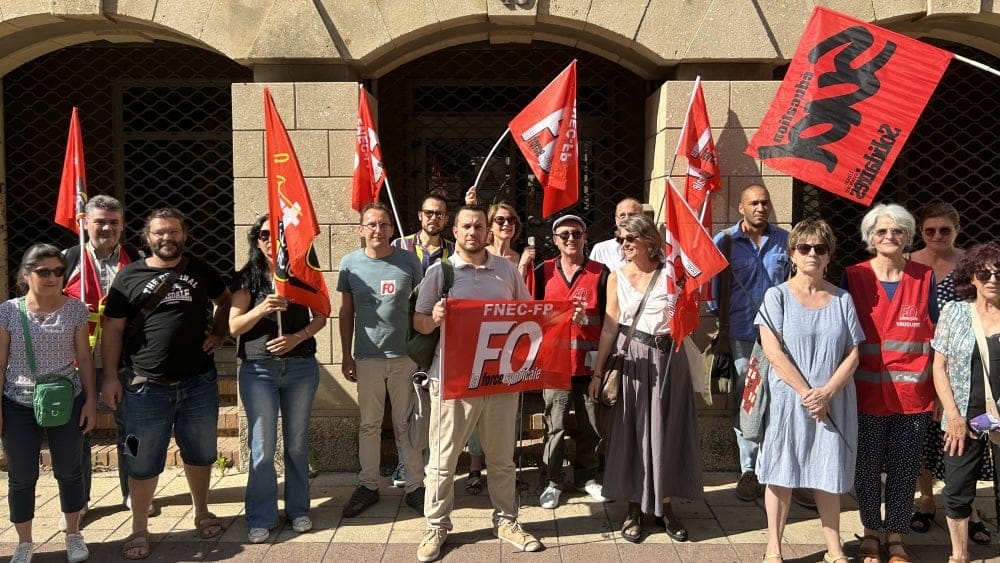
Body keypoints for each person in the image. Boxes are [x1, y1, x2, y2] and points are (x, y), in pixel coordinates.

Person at [101, 207, 232, 560]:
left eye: (174, 232)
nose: (167, 238)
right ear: (147, 237)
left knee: (201, 453)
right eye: (160, 232)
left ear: (184, 236)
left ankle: (201, 510)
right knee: (141, 461)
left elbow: (225, 300)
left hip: (198, 382)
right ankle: (139, 528)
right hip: (145, 386)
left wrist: (219, 333)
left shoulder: (200, 270)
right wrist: (111, 376)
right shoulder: (129, 276)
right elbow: (112, 328)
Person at [414, 205, 541, 561]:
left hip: (498, 380)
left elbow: (527, 313)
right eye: (466, 226)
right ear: (454, 231)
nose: (473, 231)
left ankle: (507, 520)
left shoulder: (506, 271)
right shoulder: (441, 272)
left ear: (488, 231)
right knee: (442, 459)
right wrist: (434, 317)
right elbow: (419, 322)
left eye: (479, 225)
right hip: (453, 381)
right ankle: (436, 526)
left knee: (501, 459)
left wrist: (565, 314)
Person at [754, 219, 864, 562]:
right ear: (793, 254)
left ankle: (834, 547)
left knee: (827, 470)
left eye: (820, 248)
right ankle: (773, 547)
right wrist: (807, 392)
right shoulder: (776, 297)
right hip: (790, 400)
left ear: (829, 256)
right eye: (804, 248)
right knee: (781, 470)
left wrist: (827, 392)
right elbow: (772, 352)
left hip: (833, 400)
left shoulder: (842, 299)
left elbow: (853, 353)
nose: (812, 254)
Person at [588, 214, 703, 543]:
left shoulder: (671, 274)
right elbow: (610, 325)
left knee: (667, 432)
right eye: (620, 238)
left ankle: (665, 508)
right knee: (632, 432)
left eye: (629, 239)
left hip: (669, 360)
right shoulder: (616, 276)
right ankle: (634, 508)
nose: (623, 244)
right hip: (634, 360)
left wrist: (684, 306)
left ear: (649, 241)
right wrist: (598, 371)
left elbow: (688, 321)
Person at [842, 203, 937, 563]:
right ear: (870, 237)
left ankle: (895, 537)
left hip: (912, 395)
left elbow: (938, 335)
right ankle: (869, 532)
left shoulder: (924, 277)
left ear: (908, 236)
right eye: (881, 231)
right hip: (864, 392)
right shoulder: (853, 276)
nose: (889, 236)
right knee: (865, 468)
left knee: (904, 467)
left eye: (897, 231)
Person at [229, 214, 327, 543]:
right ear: (257, 240)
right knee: (261, 447)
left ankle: (299, 509)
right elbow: (233, 327)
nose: (273, 240)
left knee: (297, 444)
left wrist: (297, 337)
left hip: (300, 368)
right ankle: (261, 515)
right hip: (259, 371)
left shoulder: (302, 272)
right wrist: (261, 309)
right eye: (266, 234)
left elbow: (322, 316)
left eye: (280, 233)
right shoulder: (248, 278)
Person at [1, 244, 97, 563]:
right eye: (44, 271)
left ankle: (73, 533)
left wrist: (90, 402)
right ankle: (24, 542)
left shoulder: (75, 309)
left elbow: (84, 356)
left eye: (58, 271)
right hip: (18, 401)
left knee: (70, 470)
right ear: (26, 274)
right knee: (22, 474)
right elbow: (0, 362)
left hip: (65, 399)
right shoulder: (9, 311)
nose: (53, 277)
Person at [337, 202, 426, 518]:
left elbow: (421, 306)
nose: (378, 229)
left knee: (407, 425)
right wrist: (346, 355)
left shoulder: (408, 262)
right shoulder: (349, 264)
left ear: (392, 229)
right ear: (361, 230)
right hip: (368, 358)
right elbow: (346, 312)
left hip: (405, 358)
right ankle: (368, 485)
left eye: (384, 224)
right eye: (371, 224)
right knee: (370, 425)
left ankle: (416, 486)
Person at [908, 202, 990, 543]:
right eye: (930, 231)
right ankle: (926, 499)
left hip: (959, 363)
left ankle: (966, 507)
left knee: (967, 432)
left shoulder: (969, 265)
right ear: (920, 232)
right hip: (915, 359)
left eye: (945, 230)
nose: (937, 236)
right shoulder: (909, 263)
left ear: (956, 230)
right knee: (922, 435)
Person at [61, 194, 143, 527]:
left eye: (113, 222)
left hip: (125, 359)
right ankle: (79, 500)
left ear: (122, 225)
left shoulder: (136, 259)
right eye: (100, 221)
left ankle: (134, 491)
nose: (107, 228)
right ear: (85, 223)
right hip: (76, 359)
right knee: (78, 430)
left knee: (133, 429)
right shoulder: (67, 259)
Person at [709, 184, 790, 502]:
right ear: (741, 207)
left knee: (781, 401)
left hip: (781, 337)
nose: (761, 207)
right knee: (749, 402)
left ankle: (777, 468)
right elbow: (714, 295)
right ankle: (749, 470)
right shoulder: (725, 242)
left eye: (765, 202)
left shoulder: (786, 241)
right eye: (754, 202)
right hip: (743, 337)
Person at [930, 243, 1000, 563]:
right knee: (956, 489)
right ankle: (959, 555)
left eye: (999, 274)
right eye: (984, 273)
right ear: (972, 277)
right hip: (965, 416)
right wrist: (954, 417)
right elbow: (939, 367)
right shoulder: (954, 312)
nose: (992, 280)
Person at [534, 214, 609, 508]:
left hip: (589, 364)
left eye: (576, 233)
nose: (570, 239)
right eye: (563, 234)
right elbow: (531, 315)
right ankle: (552, 481)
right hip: (555, 363)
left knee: (590, 426)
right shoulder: (543, 272)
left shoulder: (600, 273)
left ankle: (587, 477)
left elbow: (609, 320)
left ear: (585, 237)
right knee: (555, 426)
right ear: (554, 240)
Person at [389, 192, 454, 487]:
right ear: (419, 215)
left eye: (440, 214)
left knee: (435, 407)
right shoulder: (399, 246)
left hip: (439, 338)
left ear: (447, 219)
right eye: (429, 212)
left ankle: (431, 466)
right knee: (406, 408)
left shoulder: (454, 251)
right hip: (404, 337)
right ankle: (405, 464)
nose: (434, 218)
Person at [588, 197, 643, 270]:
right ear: (616, 220)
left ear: (642, 218)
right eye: (622, 216)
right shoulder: (601, 250)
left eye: (632, 215)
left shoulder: (652, 248)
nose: (627, 219)